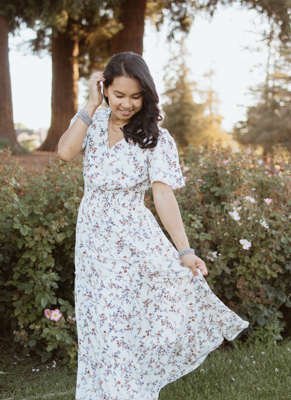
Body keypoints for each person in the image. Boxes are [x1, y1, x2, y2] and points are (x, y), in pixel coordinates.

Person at [58, 52, 249, 400]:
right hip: (91, 242)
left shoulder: (155, 138)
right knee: (97, 326)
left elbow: (163, 197)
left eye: (136, 96)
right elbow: (65, 152)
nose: (127, 104)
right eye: (118, 95)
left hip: (132, 240)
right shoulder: (93, 121)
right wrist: (89, 103)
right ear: (105, 89)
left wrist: (185, 250)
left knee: (123, 327)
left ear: (146, 95)